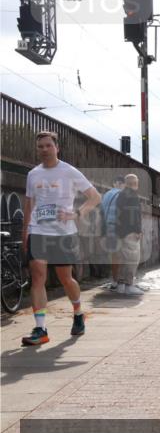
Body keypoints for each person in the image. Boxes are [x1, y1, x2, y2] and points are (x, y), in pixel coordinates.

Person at [20, 131, 102, 346]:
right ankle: (40, 329)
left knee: (65, 278)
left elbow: (95, 197)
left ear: (57, 148)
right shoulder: (33, 174)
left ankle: (78, 313)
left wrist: (76, 214)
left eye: (48, 145)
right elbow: (29, 203)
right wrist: (25, 231)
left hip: (63, 234)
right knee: (38, 278)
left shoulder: (69, 171)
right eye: (40, 146)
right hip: (38, 231)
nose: (44, 150)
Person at [115, 174, 144, 296]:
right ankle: (129, 286)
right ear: (135, 183)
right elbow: (134, 215)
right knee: (132, 259)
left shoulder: (121, 195)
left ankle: (121, 285)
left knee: (123, 259)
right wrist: (138, 230)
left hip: (121, 231)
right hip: (130, 232)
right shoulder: (133, 196)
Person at [100, 174, 125, 290]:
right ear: (122, 184)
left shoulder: (106, 195)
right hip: (120, 229)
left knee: (114, 255)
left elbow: (101, 214)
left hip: (108, 228)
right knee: (124, 255)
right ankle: (122, 280)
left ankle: (114, 281)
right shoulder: (122, 194)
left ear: (114, 183)